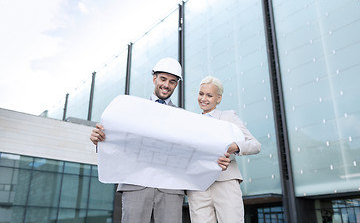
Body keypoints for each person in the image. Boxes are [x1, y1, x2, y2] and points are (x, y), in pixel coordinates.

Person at [90, 59, 231, 223]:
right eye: (163, 79)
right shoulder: (132, 110)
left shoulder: (183, 118)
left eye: (172, 82)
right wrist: (100, 140)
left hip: (169, 189)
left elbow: (193, 150)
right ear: (154, 79)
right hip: (136, 185)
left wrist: (215, 160)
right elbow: (119, 140)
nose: (167, 85)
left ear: (176, 85)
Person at [187, 76, 261, 223]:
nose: (204, 99)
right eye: (201, 94)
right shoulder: (191, 122)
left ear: (218, 98)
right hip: (198, 187)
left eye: (209, 95)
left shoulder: (229, 117)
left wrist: (235, 147)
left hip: (225, 182)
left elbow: (255, 145)